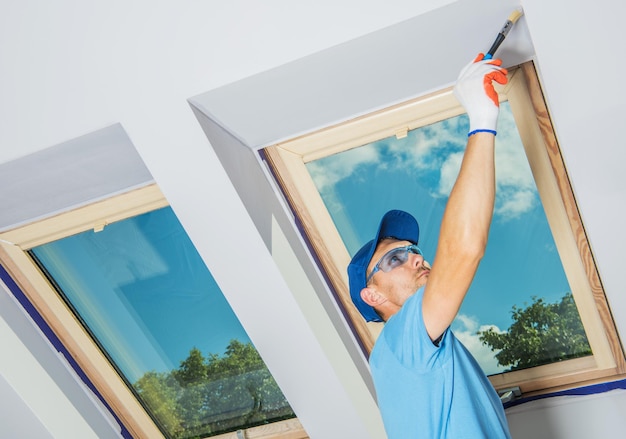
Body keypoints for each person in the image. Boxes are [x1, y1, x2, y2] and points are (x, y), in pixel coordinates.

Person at [347, 54, 512, 438]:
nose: (416, 257)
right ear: (371, 295)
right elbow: (464, 248)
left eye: (415, 250)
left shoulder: (419, 352)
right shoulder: (401, 341)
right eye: (395, 258)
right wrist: (482, 118)